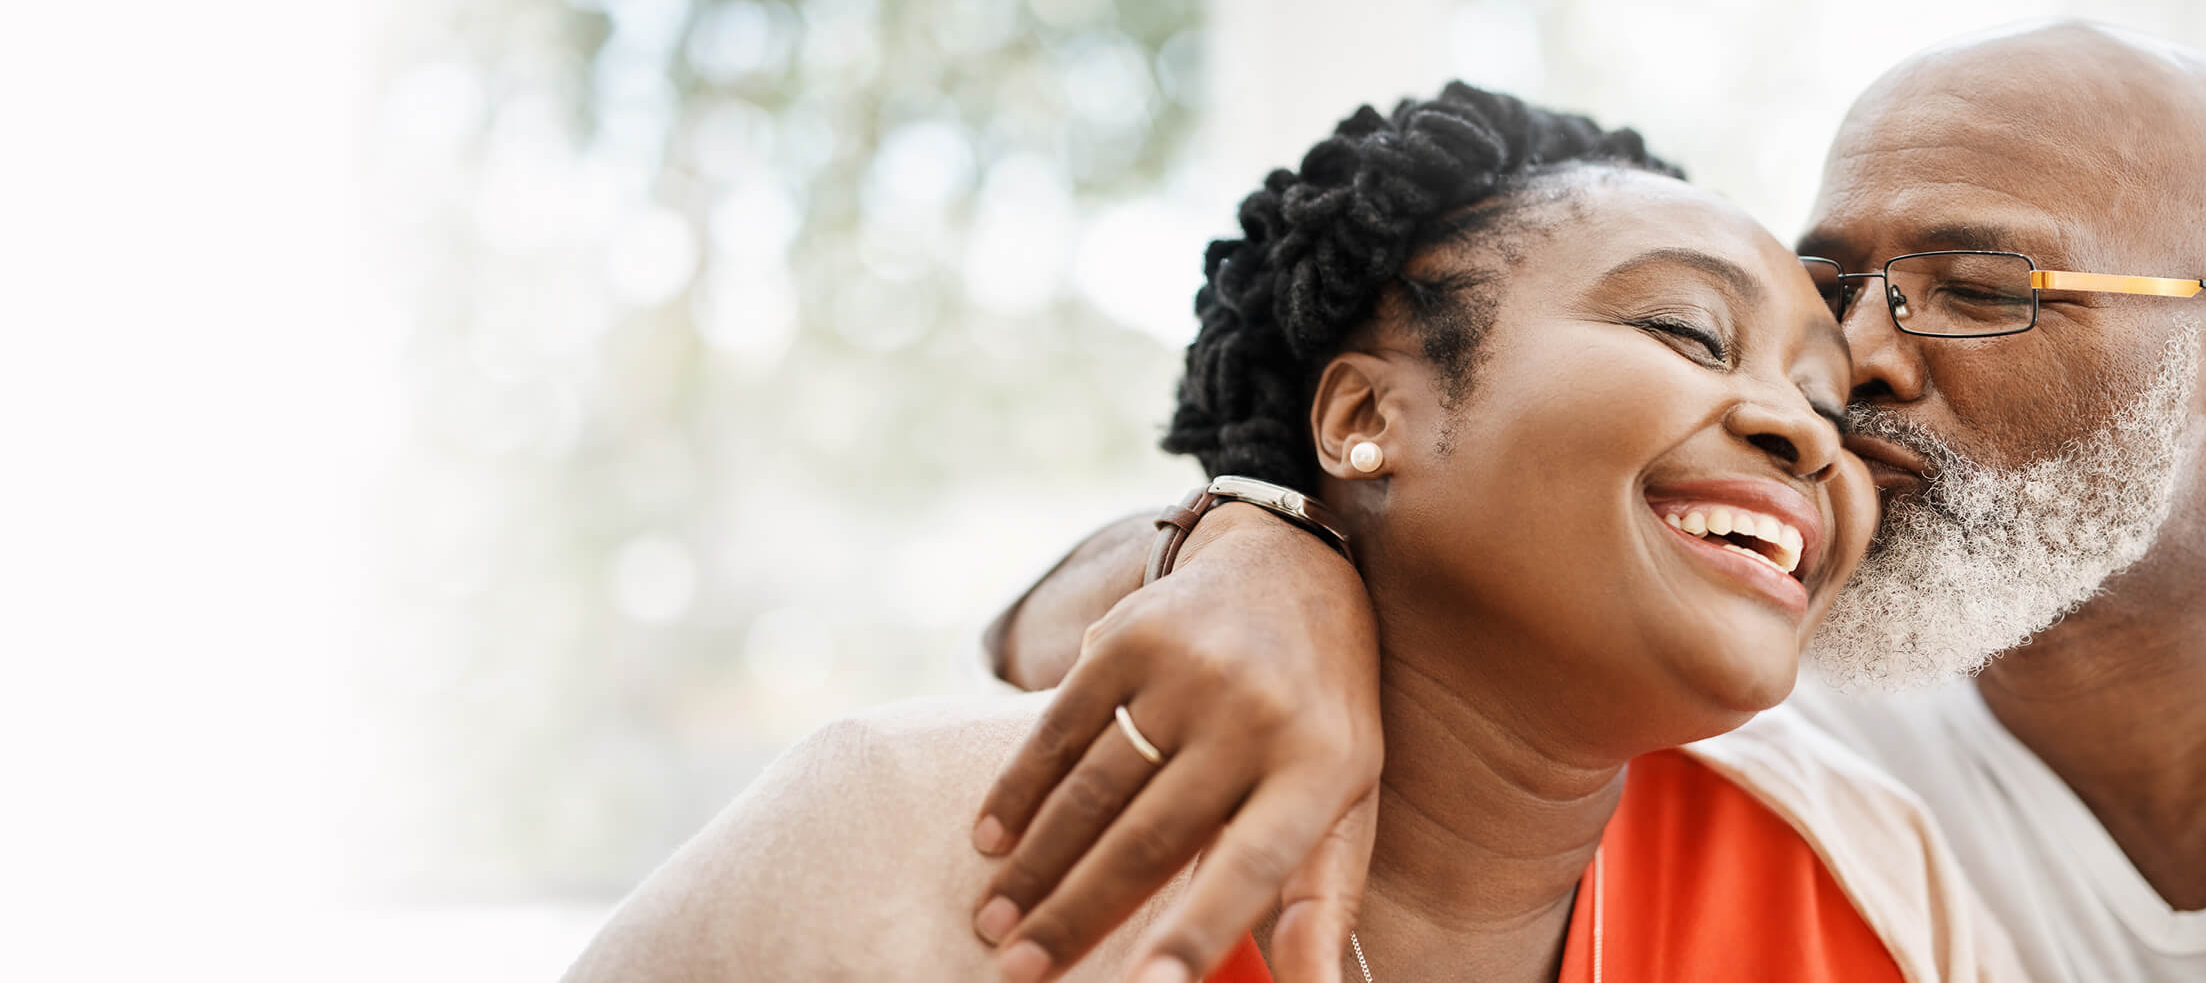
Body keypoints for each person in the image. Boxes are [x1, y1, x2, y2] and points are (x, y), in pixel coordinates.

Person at [567, 84, 2017, 982]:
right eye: (1690, 331)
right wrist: (1240, 535)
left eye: (1825, 401)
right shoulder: (921, 830)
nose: (1806, 435)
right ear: (1366, 417)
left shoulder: (1870, 881)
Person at [973, 21, 2206, 983]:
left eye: (1977, 291)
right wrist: (1263, 550)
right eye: (1832, 292)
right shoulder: (1739, 680)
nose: (1857, 368)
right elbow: (1027, 635)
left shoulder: (1831, 812)